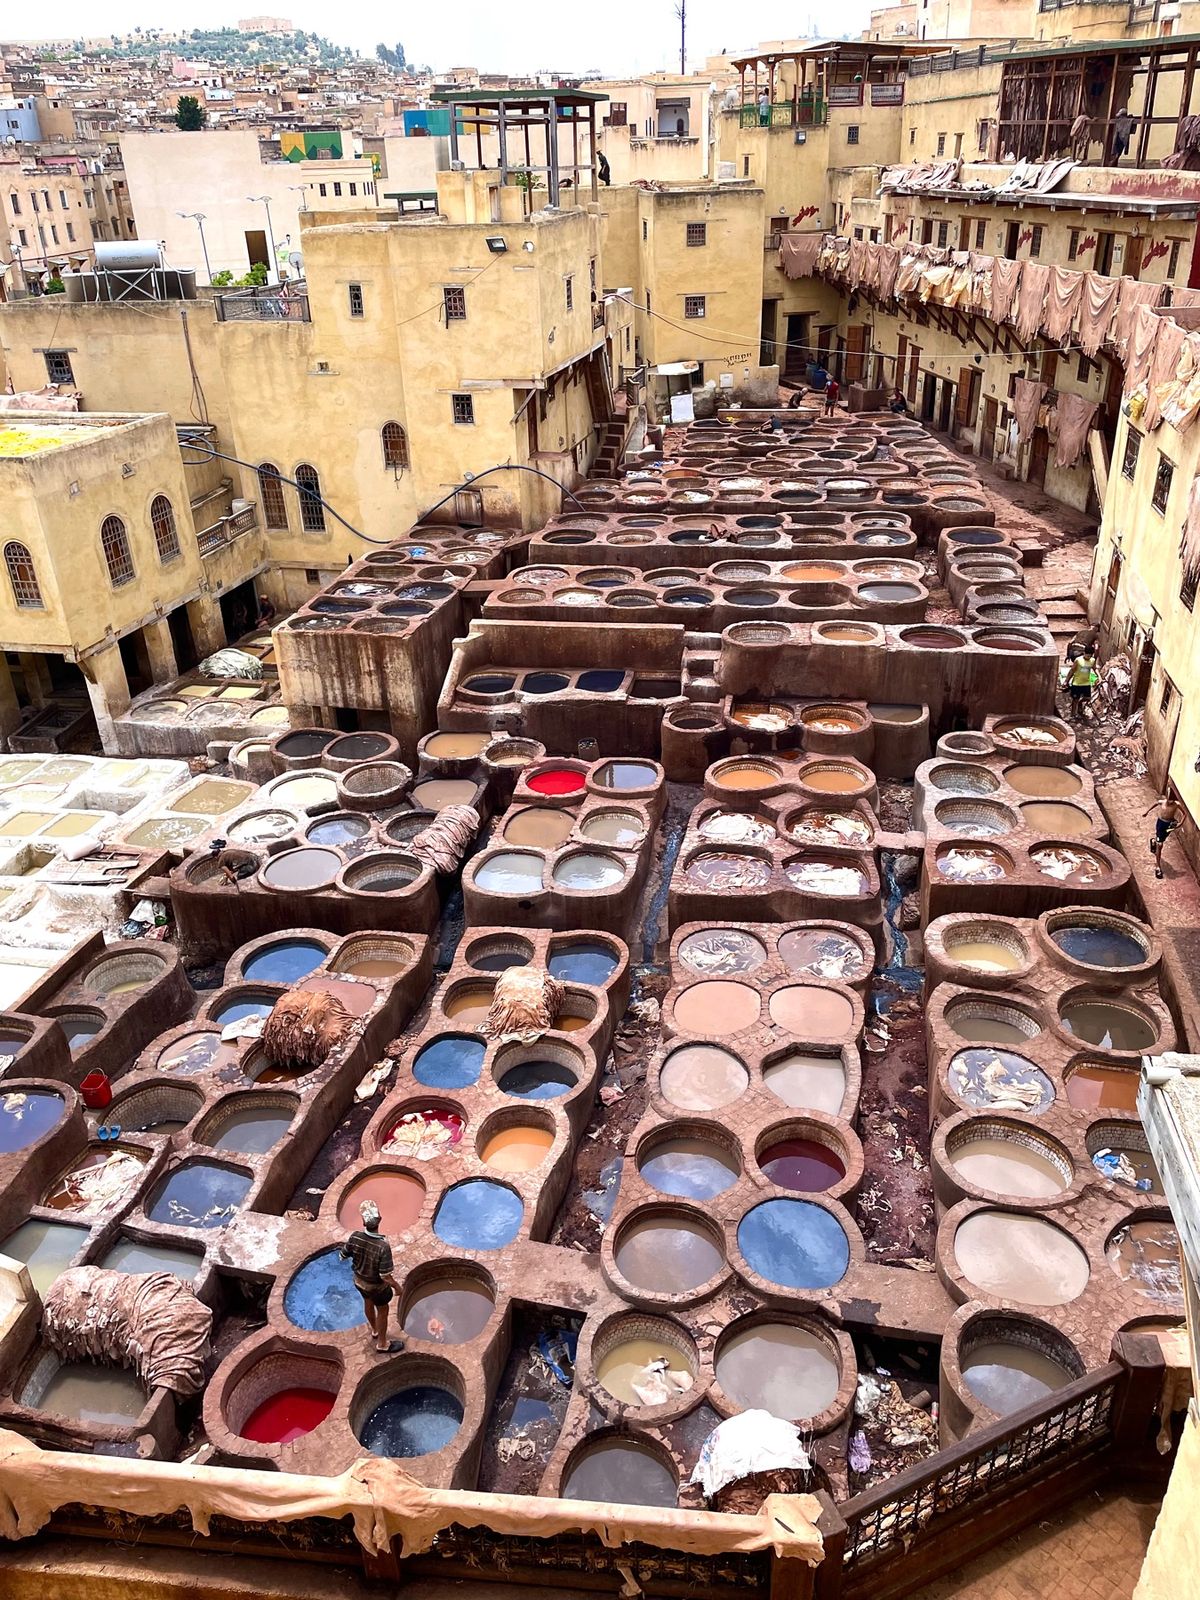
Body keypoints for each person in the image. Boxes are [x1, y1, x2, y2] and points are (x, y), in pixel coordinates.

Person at [341, 1201, 403, 1353]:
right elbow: (385, 1275)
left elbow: (343, 1254)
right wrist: (397, 1287)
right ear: (380, 1219)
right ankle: (382, 1344)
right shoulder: (383, 1246)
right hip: (377, 1288)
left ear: (363, 1222)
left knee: (367, 1302)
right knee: (382, 1310)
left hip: (359, 1282)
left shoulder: (355, 1237)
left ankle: (375, 1330)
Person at [1144, 791, 1185, 880]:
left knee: (1162, 839)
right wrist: (1147, 812)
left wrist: (1181, 823)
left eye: (1172, 800)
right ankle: (1158, 867)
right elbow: (1155, 804)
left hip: (1169, 825)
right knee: (1160, 845)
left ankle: (1154, 841)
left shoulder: (1176, 804)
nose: (1170, 802)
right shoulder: (1162, 802)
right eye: (1169, 800)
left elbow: (1184, 814)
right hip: (1160, 824)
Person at [1066, 649, 1098, 721]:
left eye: (1090, 656)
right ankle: (1073, 714)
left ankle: (1080, 703)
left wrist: (1099, 676)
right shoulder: (1078, 660)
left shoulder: (1092, 660)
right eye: (1087, 655)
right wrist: (1066, 681)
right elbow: (1072, 670)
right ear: (1084, 653)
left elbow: (1095, 668)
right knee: (1075, 699)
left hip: (1086, 683)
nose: (1088, 657)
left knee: (1088, 698)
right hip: (1077, 683)